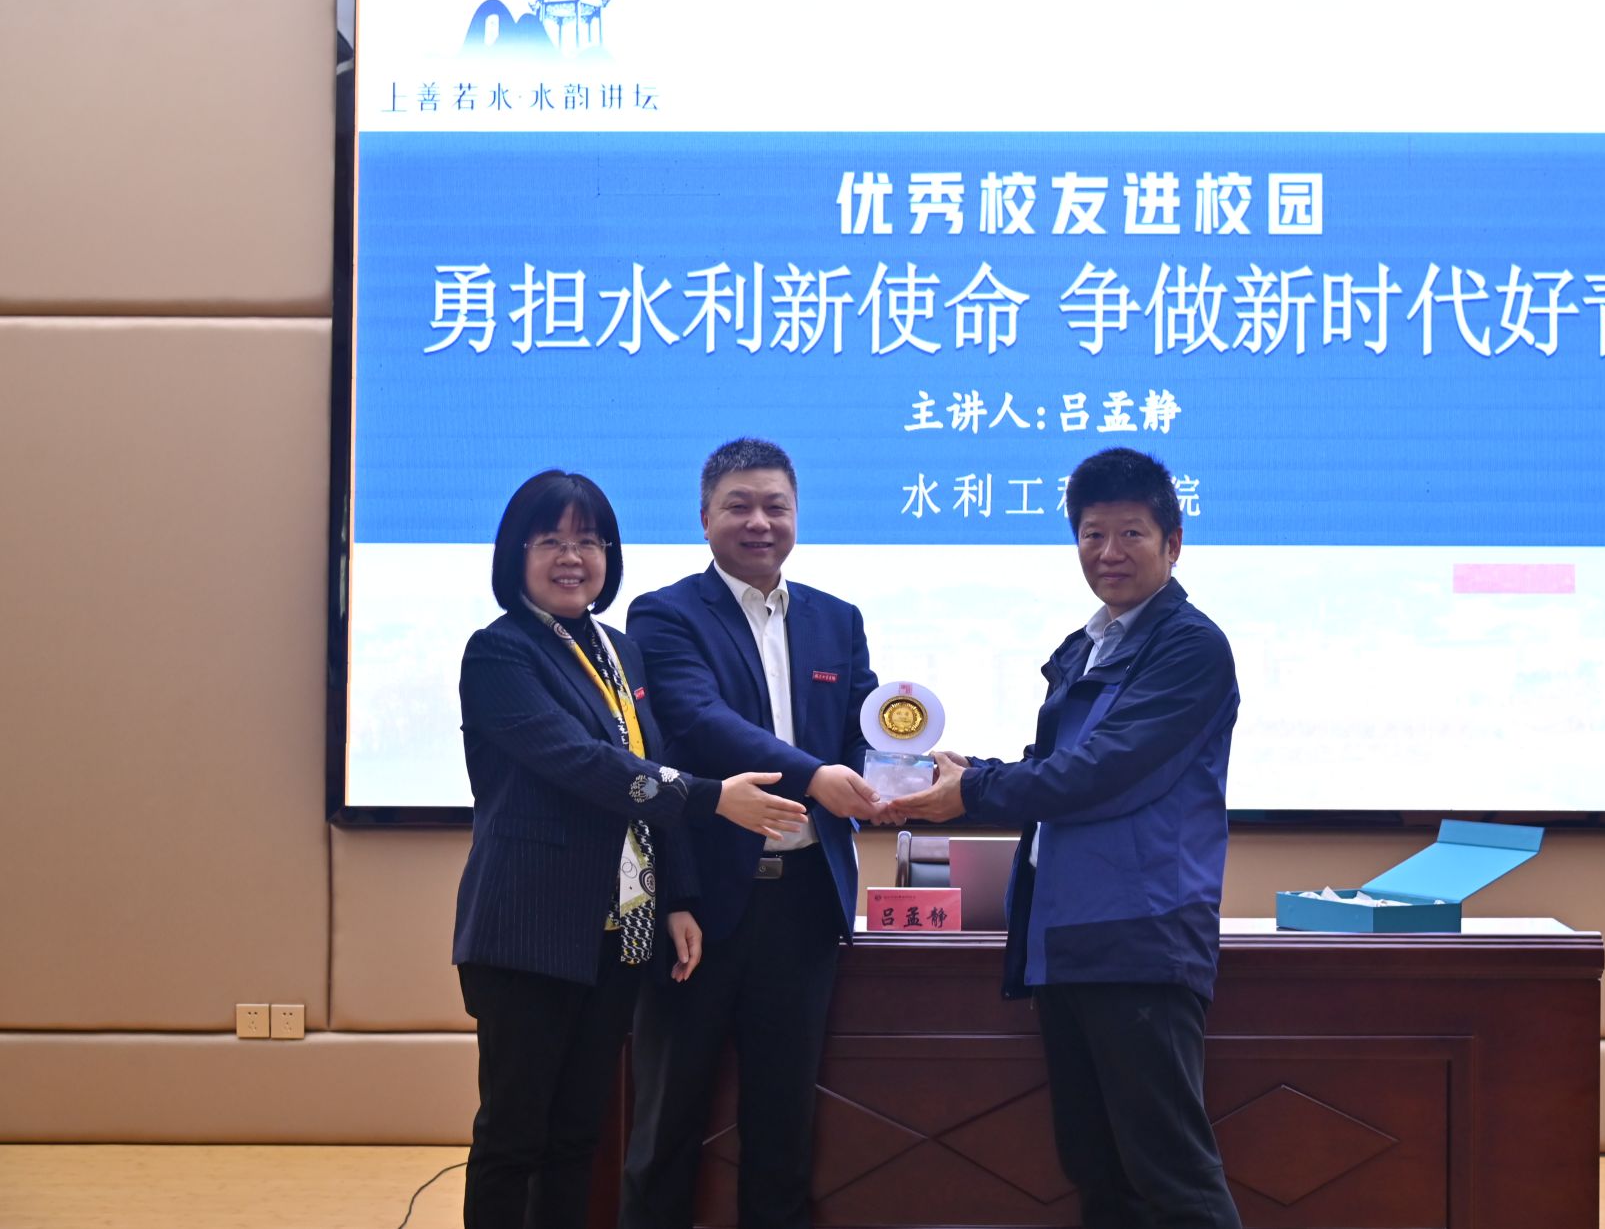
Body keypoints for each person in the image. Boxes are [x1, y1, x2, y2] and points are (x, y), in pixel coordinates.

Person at [885, 446, 1244, 1229]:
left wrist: (970, 792)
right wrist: (964, 775)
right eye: (1092, 534)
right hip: (1066, 935)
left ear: (1174, 542)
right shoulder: (1087, 645)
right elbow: (1054, 764)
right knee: (1098, 1170)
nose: (1109, 552)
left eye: (1132, 533)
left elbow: (1103, 772)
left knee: (1171, 1176)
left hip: (1140, 936)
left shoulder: (1189, 645)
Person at [451, 469, 808, 1229]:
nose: (572, 558)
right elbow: (584, 764)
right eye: (551, 541)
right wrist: (711, 796)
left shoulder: (618, 650)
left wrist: (677, 897)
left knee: (579, 1136)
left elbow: (649, 766)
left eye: (590, 542)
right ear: (515, 554)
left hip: (616, 936)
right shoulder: (499, 653)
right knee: (514, 1136)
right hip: (528, 931)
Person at [621, 438, 884, 1229]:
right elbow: (700, 720)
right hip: (700, 906)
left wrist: (909, 771)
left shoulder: (838, 620)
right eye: (739, 505)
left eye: (776, 506)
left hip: (803, 906)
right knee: (668, 1121)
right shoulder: (665, 614)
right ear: (705, 518)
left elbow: (863, 735)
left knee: (783, 1125)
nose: (759, 522)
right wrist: (814, 777)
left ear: (797, 515)